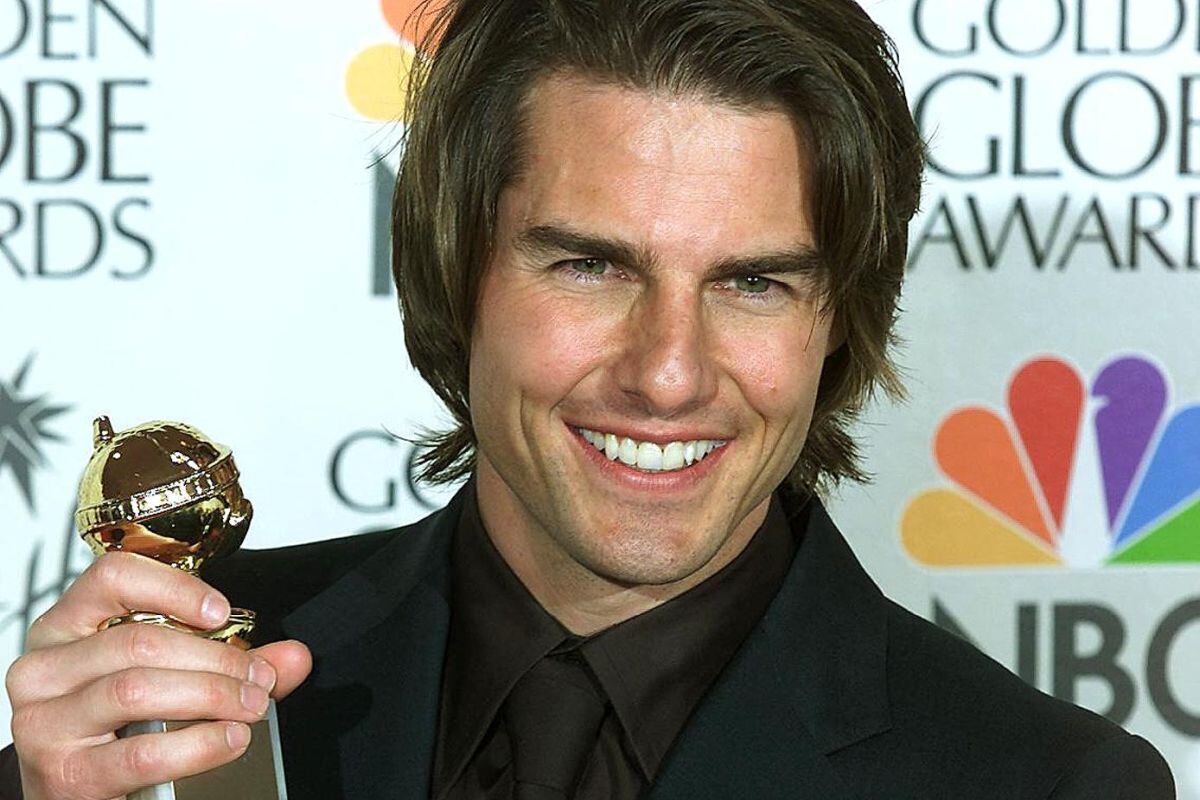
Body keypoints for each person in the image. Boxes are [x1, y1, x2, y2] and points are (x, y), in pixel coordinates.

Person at [0, 0, 1177, 798]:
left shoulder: (1043, 782)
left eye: (754, 281)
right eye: (591, 265)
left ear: (837, 323)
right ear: (457, 272)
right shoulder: (187, 687)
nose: (668, 371)